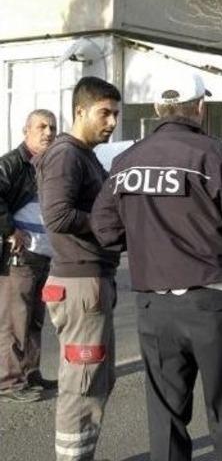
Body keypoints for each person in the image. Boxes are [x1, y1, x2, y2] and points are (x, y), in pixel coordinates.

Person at [91, 71, 222, 461]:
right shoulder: (215, 155)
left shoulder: (127, 160)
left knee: (165, 418)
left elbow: (105, 230)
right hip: (213, 304)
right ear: (199, 107)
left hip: (153, 306)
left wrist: (151, 241)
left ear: (160, 109)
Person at [36, 77, 121, 460]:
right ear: (80, 111)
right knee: (82, 383)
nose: (112, 121)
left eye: (116, 113)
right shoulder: (66, 155)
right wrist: (109, 225)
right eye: (105, 113)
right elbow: (57, 215)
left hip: (90, 280)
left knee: (96, 380)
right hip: (79, 282)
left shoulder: (84, 154)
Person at [0, 109, 57, 403]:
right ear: (26, 131)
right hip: (19, 257)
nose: (48, 132)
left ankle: (31, 374)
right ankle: (9, 383)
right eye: (41, 127)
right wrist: (10, 230)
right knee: (14, 322)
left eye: (52, 127)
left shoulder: (48, 164)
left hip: (43, 255)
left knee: (35, 320)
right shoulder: (12, 163)